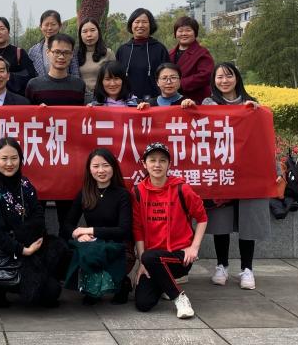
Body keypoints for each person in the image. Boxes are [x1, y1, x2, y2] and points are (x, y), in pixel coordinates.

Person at [0, 137, 67, 308]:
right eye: (4, 158)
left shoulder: (24, 183)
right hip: (7, 251)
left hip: (31, 246)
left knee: (53, 292)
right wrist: (23, 249)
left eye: (14, 158)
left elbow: (38, 214)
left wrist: (30, 241)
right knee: (44, 292)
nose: (9, 163)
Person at [202, 62, 267, 290]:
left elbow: (262, 137)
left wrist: (255, 112)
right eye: (219, 77)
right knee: (221, 220)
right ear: (214, 80)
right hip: (221, 171)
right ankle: (222, 266)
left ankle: (247, 269)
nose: (224, 81)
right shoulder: (208, 104)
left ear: (237, 78)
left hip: (247, 172)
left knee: (247, 220)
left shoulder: (251, 104)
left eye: (228, 76)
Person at [132, 142, 208, 319]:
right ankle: (166, 284)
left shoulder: (182, 188)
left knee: (149, 257)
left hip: (179, 256)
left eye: (162, 160)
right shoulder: (137, 192)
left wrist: (194, 247)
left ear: (169, 164)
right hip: (152, 259)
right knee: (143, 303)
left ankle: (179, 297)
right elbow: (137, 228)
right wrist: (142, 263)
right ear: (144, 164)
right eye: (152, 160)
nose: (157, 165)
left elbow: (202, 218)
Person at [63, 148, 133, 304]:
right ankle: (93, 288)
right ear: (89, 169)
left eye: (105, 165)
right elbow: (67, 225)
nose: (101, 170)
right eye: (96, 166)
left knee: (101, 251)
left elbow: (123, 230)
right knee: (85, 249)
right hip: (93, 243)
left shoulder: (122, 195)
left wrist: (90, 230)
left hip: (117, 243)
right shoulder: (84, 193)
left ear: (113, 167)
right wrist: (79, 235)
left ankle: (122, 284)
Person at [115, 8, 169, 102]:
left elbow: (167, 76)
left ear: (151, 25)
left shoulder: (160, 49)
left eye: (144, 22)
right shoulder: (123, 50)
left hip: (154, 102)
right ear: (131, 24)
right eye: (137, 22)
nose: (140, 25)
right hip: (126, 102)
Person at [25, 33, 86, 106]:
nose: (61, 57)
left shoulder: (79, 85)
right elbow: (28, 111)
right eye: (57, 52)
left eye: (66, 53)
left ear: (72, 55)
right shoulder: (34, 85)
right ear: (48, 52)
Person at [0, 16, 35, 95]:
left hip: (18, 99)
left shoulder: (19, 53)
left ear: (8, 32)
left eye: (2, 29)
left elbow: (31, 77)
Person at [170, 16, 214, 103]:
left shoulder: (202, 53)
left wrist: (180, 83)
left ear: (195, 33)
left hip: (196, 100)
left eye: (188, 30)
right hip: (173, 100)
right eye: (180, 31)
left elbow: (206, 75)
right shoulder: (170, 53)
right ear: (175, 34)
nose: (184, 34)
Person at [28, 10, 80, 78]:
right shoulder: (33, 51)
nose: (49, 28)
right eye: (46, 25)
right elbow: (31, 75)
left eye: (53, 24)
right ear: (41, 26)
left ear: (60, 26)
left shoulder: (68, 47)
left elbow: (75, 73)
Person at [77, 18, 115, 102]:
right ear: (80, 35)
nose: (89, 34)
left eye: (92, 30)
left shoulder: (108, 53)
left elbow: (114, 77)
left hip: (102, 98)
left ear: (99, 32)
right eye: (85, 31)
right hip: (80, 98)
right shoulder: (75, 55)